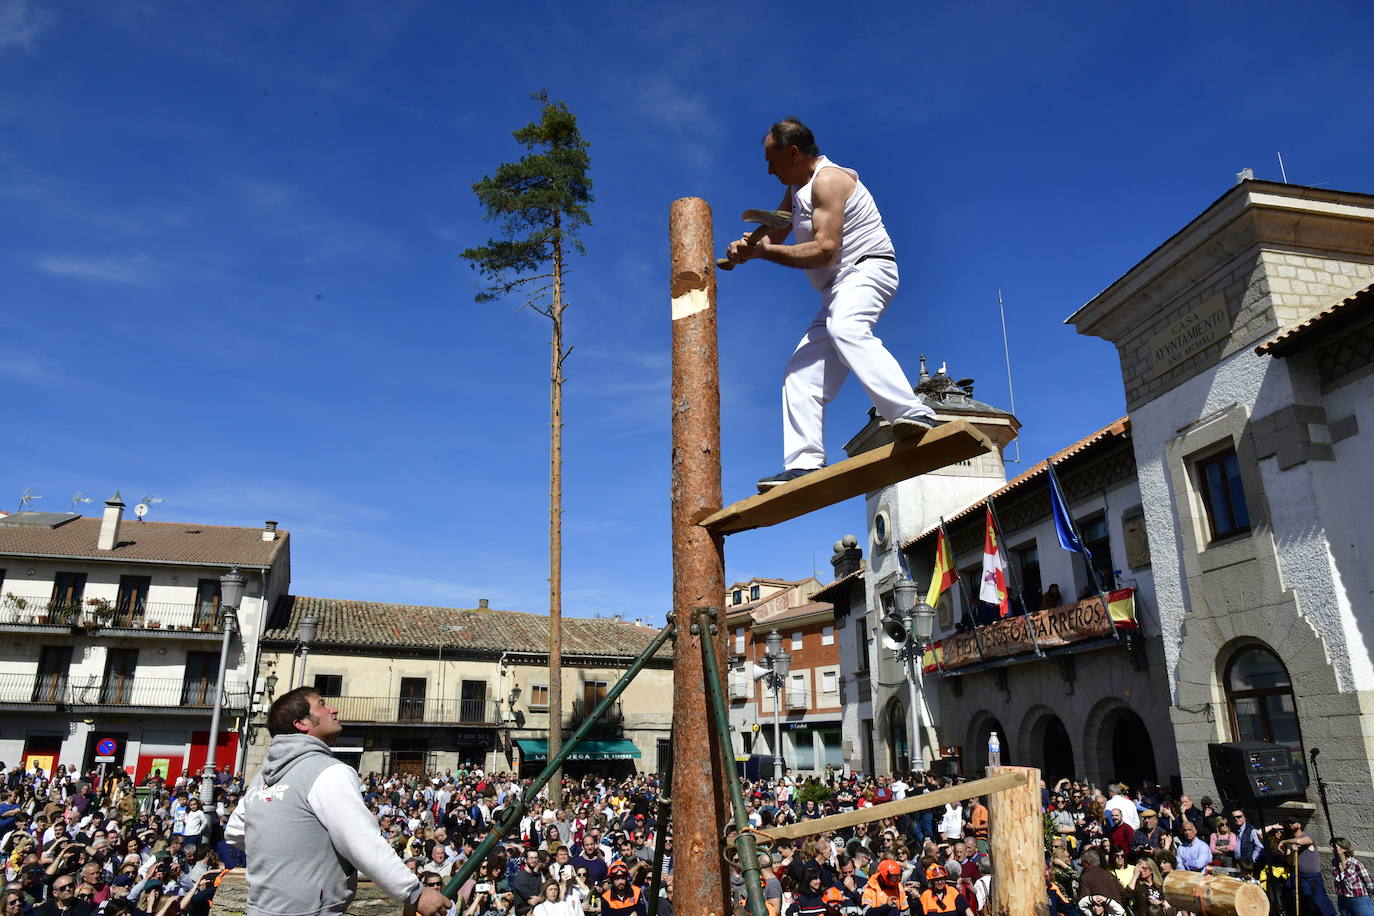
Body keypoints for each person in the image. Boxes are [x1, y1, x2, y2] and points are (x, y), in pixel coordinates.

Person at [725, 118, 938, 492]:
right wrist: (747, 249)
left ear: (793, 152)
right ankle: (805, 463)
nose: (769, 169)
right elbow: (778, 227)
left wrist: (765, 252)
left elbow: (824, 251)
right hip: (838, 289)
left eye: (772, 160)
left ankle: (912, 412)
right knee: (799, 372)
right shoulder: (797, 186)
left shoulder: (828, 180)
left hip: (869, 268)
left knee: (846, 328)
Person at [226, 687, 450, 916]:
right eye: (322, 705)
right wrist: (415, 893)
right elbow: (360, 841)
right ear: (301, 723)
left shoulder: (260, 779)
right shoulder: (329, 772)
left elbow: (234, 832)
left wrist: (293, 853)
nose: (334, 709)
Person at [1333, 837, 1374, 916]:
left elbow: (1370, 883)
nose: (1331, 849)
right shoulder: (1335, 862)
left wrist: (1365, 896)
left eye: (1334, 847)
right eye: (1331, 847)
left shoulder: (1356, 864)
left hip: (1358, 899)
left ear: (1344, 849)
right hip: (1342, 899)